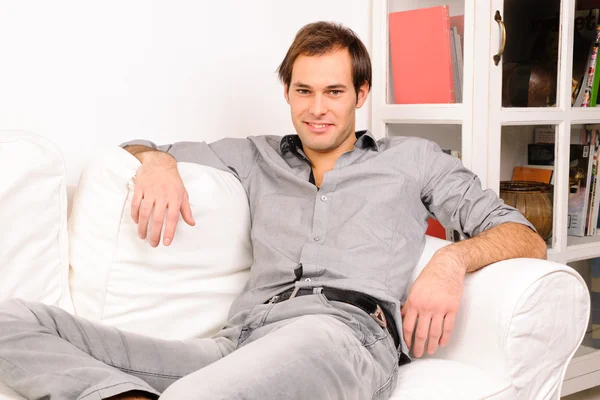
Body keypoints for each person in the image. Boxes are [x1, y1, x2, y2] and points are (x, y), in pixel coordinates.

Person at [0, 21, 546, 400]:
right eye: (303, 91)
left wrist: (450, 263)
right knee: (13, 319)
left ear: (362, 93)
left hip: (343, 337)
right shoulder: (254, 156)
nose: (317, 108)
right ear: (287, 92)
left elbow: (523, 235)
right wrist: (157, 164)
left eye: (334, 91)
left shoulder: (414, 159)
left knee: (269, 360)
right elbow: (142, 145)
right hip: (236, 342)